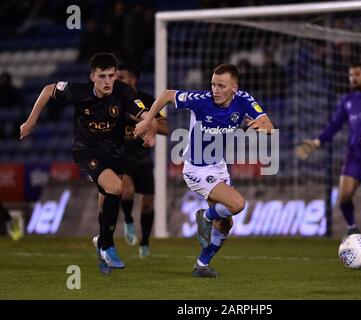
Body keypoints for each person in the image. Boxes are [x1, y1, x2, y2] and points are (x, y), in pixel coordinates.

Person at [20, 52, 155, 274]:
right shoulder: (79, 91)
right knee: (116, 188)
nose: (108, 81)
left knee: (106, 203)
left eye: (112, 76)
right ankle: (108, 246)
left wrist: (148, 130)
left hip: (115, 154)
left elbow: (145, 114)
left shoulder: (123, 92)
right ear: (92, 76)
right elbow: (47, 90)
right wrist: (30, 121)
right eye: (102, 76)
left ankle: (100, 242)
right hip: (86, 151)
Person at [134, 64, 274, 277]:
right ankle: (205, 216)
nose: (215, 90)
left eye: (221, 86)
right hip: (196, 169)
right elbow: (166, 95)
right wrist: (147, 121)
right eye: (213, 85)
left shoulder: (244, 99)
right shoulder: (201, 100)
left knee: (225, 224)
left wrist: (263, 128)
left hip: (218, 166)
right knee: (237, 204)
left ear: (234, 87)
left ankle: (201, 265)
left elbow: (268, 125)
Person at [296, 62, 361, 247]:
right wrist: (316, 142)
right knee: (344, 196)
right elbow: (334, 125)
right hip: (354, 152)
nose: (353, 78)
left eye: (357, 74)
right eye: (351, 75)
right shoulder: (347, 100)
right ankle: (352, 227)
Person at [117, 63, 169, 258]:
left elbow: (165, 128)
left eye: (121, 77)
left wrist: (144, 122)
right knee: (127, 191)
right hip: (121, 159)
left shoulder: (147, 100)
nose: (116, 81)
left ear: (133, 79)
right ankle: (129, 220)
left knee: (147, 204)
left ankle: (145, 242)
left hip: (143, 159)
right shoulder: (112, 101)